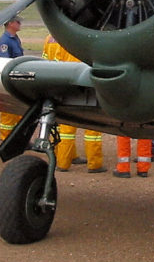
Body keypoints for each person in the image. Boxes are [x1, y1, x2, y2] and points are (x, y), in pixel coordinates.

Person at [43, 35, 106, 173]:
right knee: (92, 128)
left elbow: (46, 59)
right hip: (83, 82)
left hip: (61, 84)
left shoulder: (49, 39)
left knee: (66, 128)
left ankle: (64, 162)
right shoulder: (79, 38)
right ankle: (94, 164)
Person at [0, 16, 25, 141]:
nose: (20, 24)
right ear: (10, 24)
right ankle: (6, 139)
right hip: (10, 80)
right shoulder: (5, 41)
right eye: (18, 22)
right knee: (8, 113)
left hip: (17, 79)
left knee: (19, 112)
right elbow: (5, 63)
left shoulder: (15, 39)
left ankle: (18, 138)